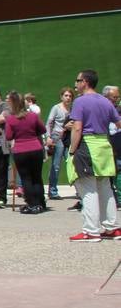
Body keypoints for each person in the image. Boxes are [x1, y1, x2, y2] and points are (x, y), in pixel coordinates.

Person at [66, 69, 120, 242]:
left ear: (85, 82)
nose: (76, 83)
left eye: (78, 80)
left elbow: (77, 128)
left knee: (88, 189)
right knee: (105, 188)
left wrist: (72, 150)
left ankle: (91, 231)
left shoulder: (80, 102)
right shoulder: (106, 102)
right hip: (104, 146)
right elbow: (119, 123)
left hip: (87, 146)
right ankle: (111, 228)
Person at [3, 91, 48, 214]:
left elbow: (8, 136)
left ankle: (32, 204)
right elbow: (42, 129)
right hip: (35, 148)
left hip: (21, 150)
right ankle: (41, 203)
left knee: (26, 178)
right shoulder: (33, 116)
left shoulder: (11, 119)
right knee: (37, 177)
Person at [46, 87, 74, 200]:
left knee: (72, 163)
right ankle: (52, 191)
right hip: (57, 138)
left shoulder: (73, 108)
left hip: (69, 138)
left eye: (70, 96)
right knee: (56, 165)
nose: (68, 98)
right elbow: (49, 123)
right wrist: (48, 137)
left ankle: (79, 189)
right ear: (61, 97)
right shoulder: (56, 108)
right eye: (66, 95)